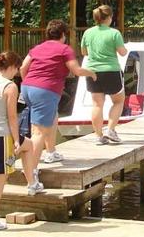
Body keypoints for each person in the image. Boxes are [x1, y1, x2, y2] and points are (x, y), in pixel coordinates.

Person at [0, 51, 42, 231]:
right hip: (2, 136)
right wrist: (15, 140)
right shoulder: (10, 86)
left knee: (28, 145)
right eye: (17, 69)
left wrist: (19, 141)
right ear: (13, 67)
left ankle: (32, 183)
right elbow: (12, 117)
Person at [20, 20, 96, 168]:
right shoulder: (64, 49)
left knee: (53, 117)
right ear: (63, 34)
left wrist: (28, 83)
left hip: (27, 87)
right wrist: (92, 73)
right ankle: (31, 171)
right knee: (38, 132)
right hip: (45, 91)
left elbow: (23, 67)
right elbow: (76, 71)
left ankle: (50, 152)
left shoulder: (37, 48)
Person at [81, 5, 127, 144]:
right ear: (109, 18)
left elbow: (84, 52)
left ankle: (98, 136)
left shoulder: (88, 33)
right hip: (111, 71)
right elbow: (122, 52)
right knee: (118, 101)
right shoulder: (114, 33)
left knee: (97, 105)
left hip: (92, 71)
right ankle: (111, 130)